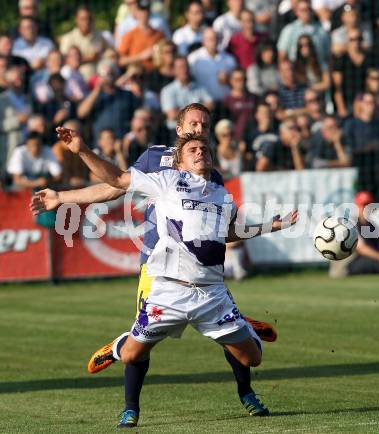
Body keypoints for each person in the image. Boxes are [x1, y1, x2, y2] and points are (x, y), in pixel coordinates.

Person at [30, 103, 279, 427]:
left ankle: (246, 391)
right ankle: (130, 405)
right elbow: (113, 186)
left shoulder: (210, 174)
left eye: (205, 125)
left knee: (229, 329)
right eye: (193, 124)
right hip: (157, 262)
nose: (199, 130)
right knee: (142, 343)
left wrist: (264, 226)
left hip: (203, 274)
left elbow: (220, 226)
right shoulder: (154, 159)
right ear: (179, 130)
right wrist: (64, 197)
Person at [59, 6, 109, 81]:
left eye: (88, 19)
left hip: (97, 79)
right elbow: (63, 61)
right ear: (76, 20)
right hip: (75, 81)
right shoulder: (68, 38)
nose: (86, 22)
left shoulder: (99, 36)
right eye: (83, 19)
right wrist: (88, 58)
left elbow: (108, 53)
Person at [188, 27, 237, 102]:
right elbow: (189, 81)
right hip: (203, 103)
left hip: (225, 103)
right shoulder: (193, 59)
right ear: (203, 41)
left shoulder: (229, 59)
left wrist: (228, 79)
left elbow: (236, 82)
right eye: (210, 39)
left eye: (215, 39)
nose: (213, 42)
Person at [277, 0, 330, 65]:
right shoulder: (289, 30)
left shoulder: (321, 30)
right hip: (297, 71)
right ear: (297, 12)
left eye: (308, 9)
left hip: (317, 70)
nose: (306, 13)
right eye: (303, 10)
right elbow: (282, 55)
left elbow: (327, 55)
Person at [118, 0, 165, 72]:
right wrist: (141, 56)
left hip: (156, 74)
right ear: (136, 13)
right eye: (141, 11)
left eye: (146, 11)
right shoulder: (130, 34)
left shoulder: (159, 34)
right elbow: (120, 61)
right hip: (138, 75)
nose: (144, 14)